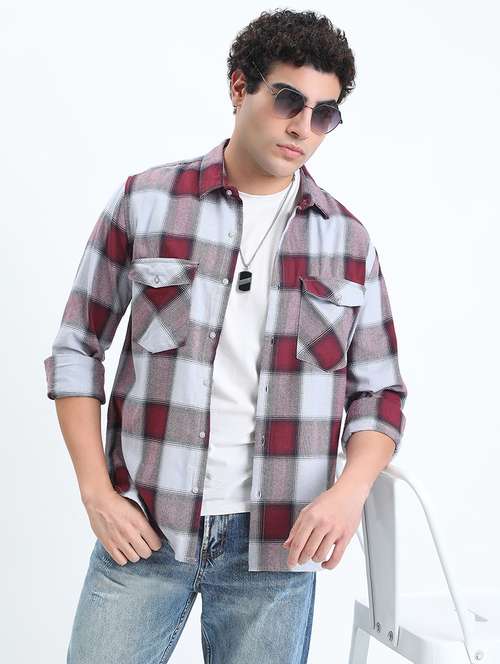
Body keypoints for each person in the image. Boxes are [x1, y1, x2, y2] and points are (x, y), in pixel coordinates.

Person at [44, 8, 408, 663]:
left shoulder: (348, 242)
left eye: (324, 114)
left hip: (276, 546)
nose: (302, 127)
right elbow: (77, 347)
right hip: (145, 529)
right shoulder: (145, 203)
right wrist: (96, 492)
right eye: (288, 100)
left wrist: (349, 491)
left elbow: (379, 392)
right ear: (240, 87)